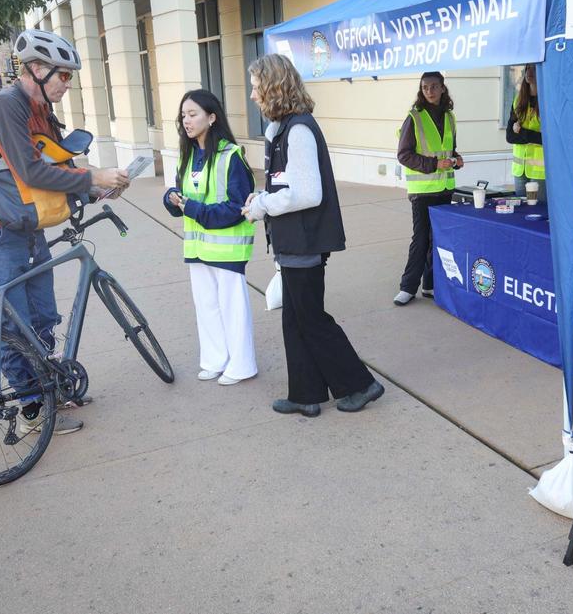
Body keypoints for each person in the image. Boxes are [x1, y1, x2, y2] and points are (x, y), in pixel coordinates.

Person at [0, 29, 130, 435]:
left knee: (42, 315)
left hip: (27, 221)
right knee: (14, 321)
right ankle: (33, 407)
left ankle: (48, 389)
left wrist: (94, 188)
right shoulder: (6, 106)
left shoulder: (41, 111)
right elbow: (30, 171)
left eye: (71, 77)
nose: (66, 85)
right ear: (36, 69)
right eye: (63, 76)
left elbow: (55, 168)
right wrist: (92, 175)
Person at [242, 53, 384, 418]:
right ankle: (305, 393)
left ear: (274, 88)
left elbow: (308, 194)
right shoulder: (286, 129)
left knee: (311, 319)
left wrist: (262, 205)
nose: (254, 95)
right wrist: (264, 200)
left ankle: (360, 384)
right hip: (295, 242)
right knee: (295, 319)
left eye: (257, 87)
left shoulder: (299, 130)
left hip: (304, 242)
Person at [163, 89, 257, 385]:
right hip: (198, 248)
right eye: (183, 116)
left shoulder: (231, 156)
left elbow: (237, 208)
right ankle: (215, 360)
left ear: (212, 117)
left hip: (227, 250)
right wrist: (171, 199)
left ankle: (242, 365)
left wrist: (192, 208)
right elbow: (182, 202)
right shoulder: (187, 156)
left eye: (193, 115)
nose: (186, 121)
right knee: (206, 306)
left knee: (232, 308)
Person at [393, 71, 463, 306]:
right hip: (423, 191)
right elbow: (404, 155)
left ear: (443, 88)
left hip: (444, 188)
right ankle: (407, 287)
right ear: (421, 91)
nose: (430, 91)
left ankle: (430, 285)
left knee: (438, 240)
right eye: (425, 87)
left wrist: (456, 158)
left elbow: (448, 150)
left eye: (434, 86)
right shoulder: (414, 117)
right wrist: (434, 164)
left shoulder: (450, 117)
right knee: (421, 240)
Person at [506, 65, 545, 202]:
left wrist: (522, 131)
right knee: (522, 210)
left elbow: (547, 139)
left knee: (536, 209)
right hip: (520, 170)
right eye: (527, 68)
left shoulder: (548, 101)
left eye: (534, 69)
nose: (529, 72)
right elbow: (510, 136)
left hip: (539, 172)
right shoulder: (518, 100)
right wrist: (532, 136)